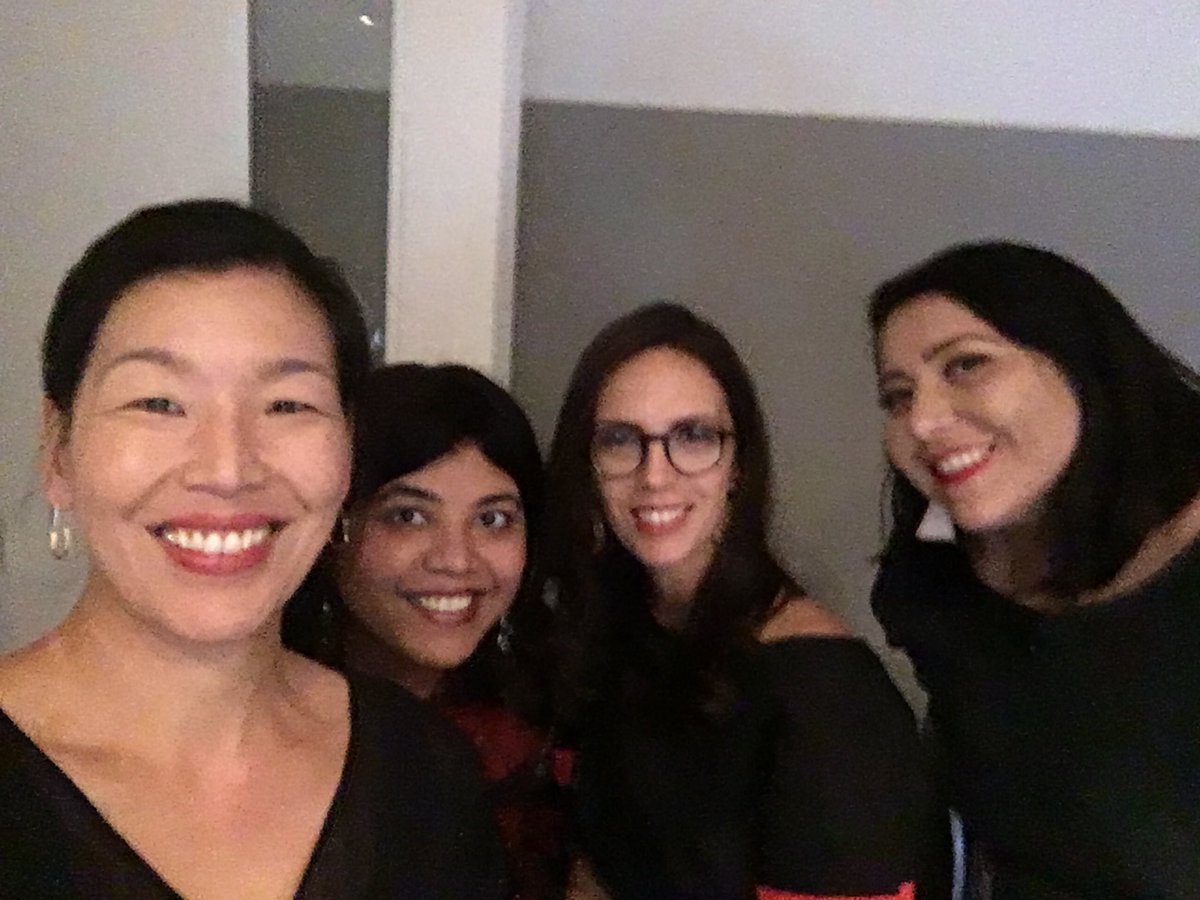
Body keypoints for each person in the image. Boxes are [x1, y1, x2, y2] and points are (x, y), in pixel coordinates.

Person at [0, 200, 505, 898]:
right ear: (59, 450)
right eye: (159, 403)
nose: (228, 468)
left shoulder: (424, 771)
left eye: (287, 405)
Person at [543, 302, 932, 900]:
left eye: (693, 436)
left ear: (740, 465)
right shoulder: (616, 635)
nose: (655, 475)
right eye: (620, 440)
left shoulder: (826, 696)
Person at [869, 240, 1200, 898]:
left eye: (967, 364)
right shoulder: (933, 587)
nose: (923, 421)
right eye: (899, 396)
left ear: (1081, 363)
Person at [285, 363, 569, 900]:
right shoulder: (258, 723)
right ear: (332, 529)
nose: (456, 560)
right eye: (409, 517)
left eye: (493, 520)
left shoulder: (549, 734)